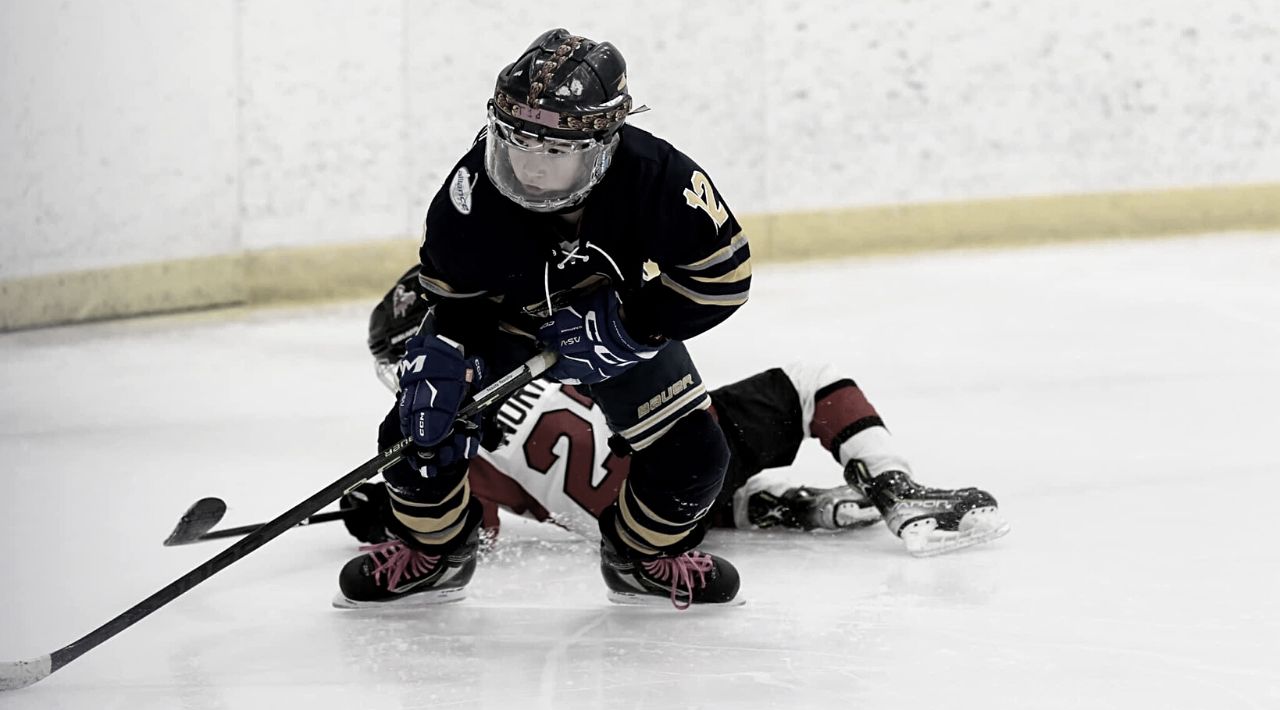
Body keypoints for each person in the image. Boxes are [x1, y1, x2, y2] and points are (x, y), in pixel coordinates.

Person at [337, 28, 754, 610]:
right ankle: (438, 555)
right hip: (505, 326)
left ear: (604, 142)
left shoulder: (659, 176)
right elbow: (453, 300)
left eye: (555, 152)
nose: (531, 169)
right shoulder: (469, 191)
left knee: (695, 453)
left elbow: (722, 278)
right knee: (417, 436)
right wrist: (445, 353)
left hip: (616, 322)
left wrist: (631, 327)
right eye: (517, 143)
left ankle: (639, 558)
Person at [336, 267, 1009, 606]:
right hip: (674, 475)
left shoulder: (449, 433)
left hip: (623, 527)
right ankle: (892, 489)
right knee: (810, 383)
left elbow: (476, 530)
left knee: (657, 493)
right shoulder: (528, 348)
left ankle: (763, 506)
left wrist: (388, 521)